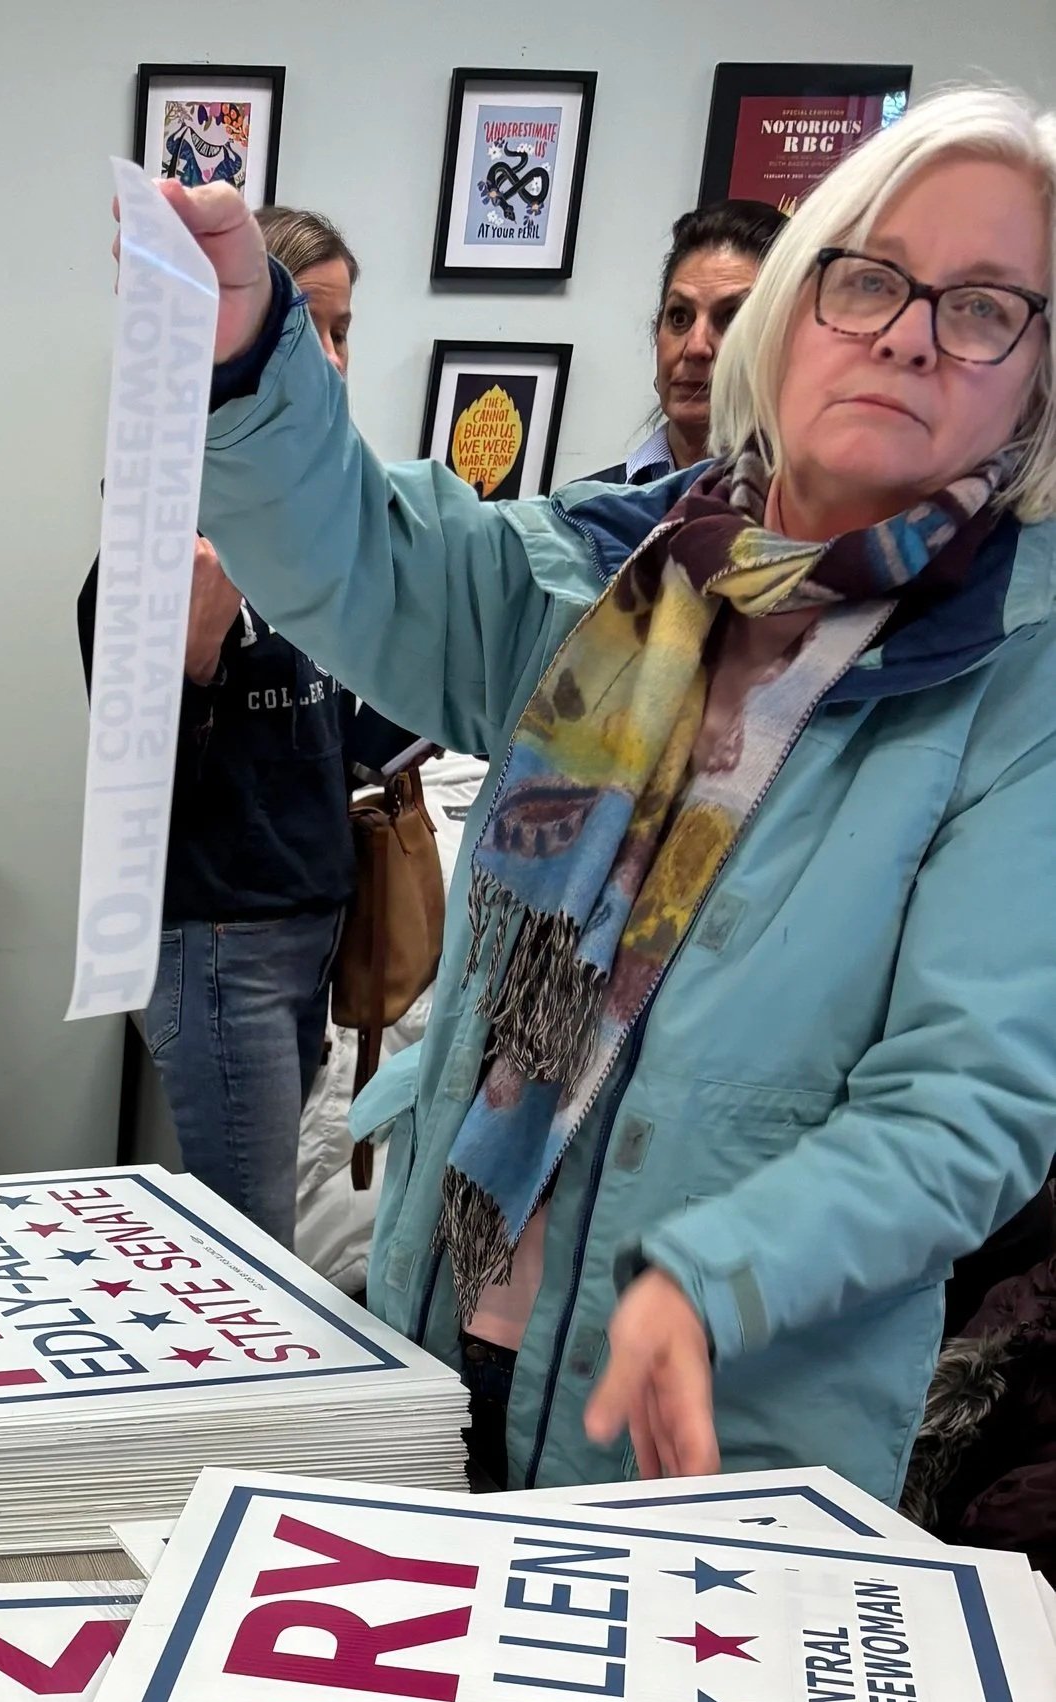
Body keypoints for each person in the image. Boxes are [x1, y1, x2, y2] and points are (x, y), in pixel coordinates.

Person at [168, 83, 1056, 1496]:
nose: (907, 331)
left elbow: (968, 1103)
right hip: (443, 1321)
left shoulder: (1016, 678)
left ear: (1035, 377)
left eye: (986, 305)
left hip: (709, 1416)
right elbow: (368, 561)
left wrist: (714, 1277)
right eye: (873, 278)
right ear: (801, 300)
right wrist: (246, 356)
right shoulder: (618, 563)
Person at [77, 205, 399, 1244]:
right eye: (312, 327)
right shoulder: (174, 535)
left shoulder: (316, 531)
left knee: (264, 1246)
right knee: (250, 1251)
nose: (334, 359)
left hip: (308, 934)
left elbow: (342, 733)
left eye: (345, 331)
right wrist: (189, 664)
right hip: (219, 946)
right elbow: (129, 795)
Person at [597, 199, 784, 481]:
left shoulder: (822, 518)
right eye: (680, 317)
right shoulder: (578, 511)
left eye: (733, 319)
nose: (696, 347)